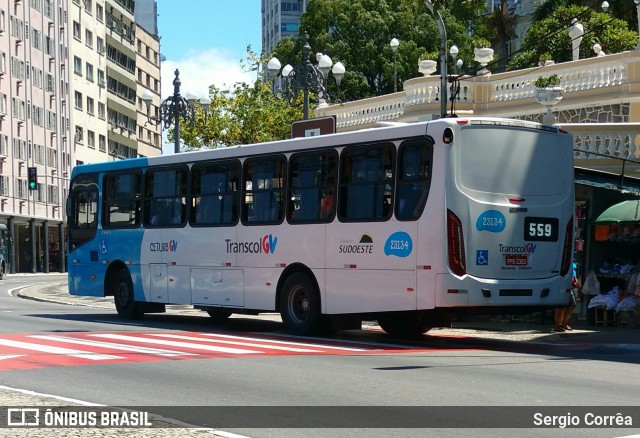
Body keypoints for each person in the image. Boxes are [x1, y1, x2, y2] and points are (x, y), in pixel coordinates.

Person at [553, 263, 578, 332]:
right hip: (562, 285)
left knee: (572, 304)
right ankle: (557, 325)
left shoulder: (573, 265)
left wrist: (575, 280)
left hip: (570, 287)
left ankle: (564, 323)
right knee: (561, 306)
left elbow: (574, 274)